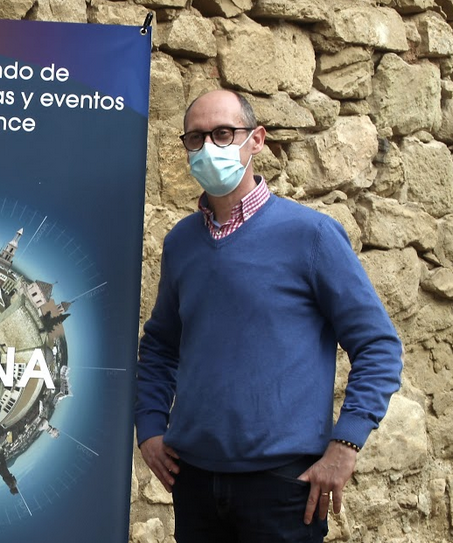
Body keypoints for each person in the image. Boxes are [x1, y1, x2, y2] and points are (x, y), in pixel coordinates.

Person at [135, 89, 403, 542]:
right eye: (196, 139)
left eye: (223, 133)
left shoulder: (311, 236)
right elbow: (161, 344)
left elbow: (377, 345)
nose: (208, 148)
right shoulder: (181, 243)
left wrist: (347, 443)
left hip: (283, 486)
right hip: (195, 481)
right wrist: (149, 427)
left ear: (256, 140)